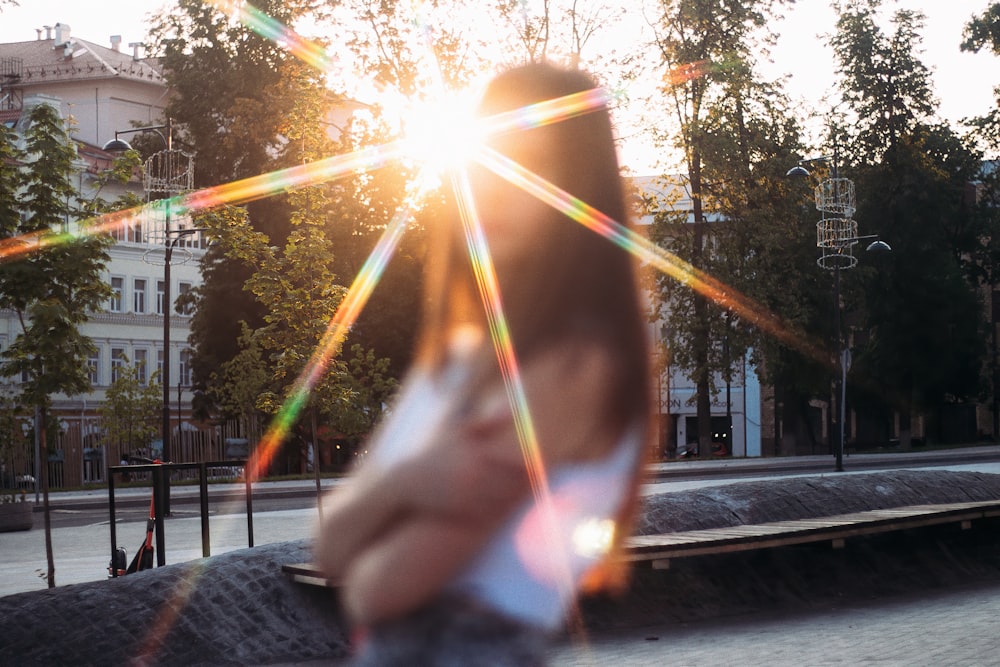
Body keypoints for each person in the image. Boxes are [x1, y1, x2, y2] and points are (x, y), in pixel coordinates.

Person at [314, 61, 653, 665]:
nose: (495, 186)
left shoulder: (577, 366)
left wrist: (379, 510)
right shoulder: (459, 357)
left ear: (576, 191)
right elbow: (330, 546)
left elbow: (378, 587)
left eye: (531, 164)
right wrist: (412, 480)